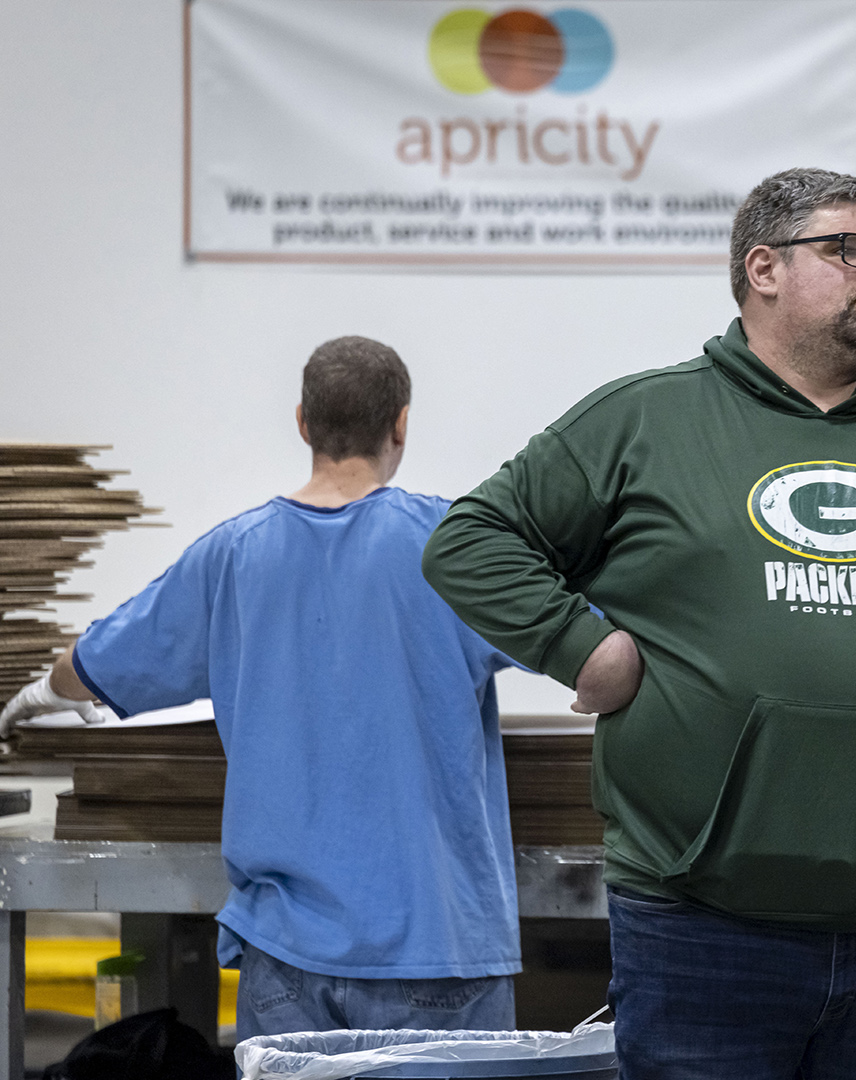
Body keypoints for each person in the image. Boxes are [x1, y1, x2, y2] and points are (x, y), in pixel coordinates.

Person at [421, 167, 856, 1078]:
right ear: (762, 268)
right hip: (703, 927)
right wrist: (585, 647)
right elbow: (472, 540)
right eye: (847, 249)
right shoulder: (646, 420)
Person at [0, 337, 523, 1039]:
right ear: (401, 423)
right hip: (436, 950)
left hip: (287, 961)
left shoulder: (232, 556)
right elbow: (595, 641)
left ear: (303, 422)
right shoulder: (450, 545)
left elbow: (94, 665)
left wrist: (38, 692)